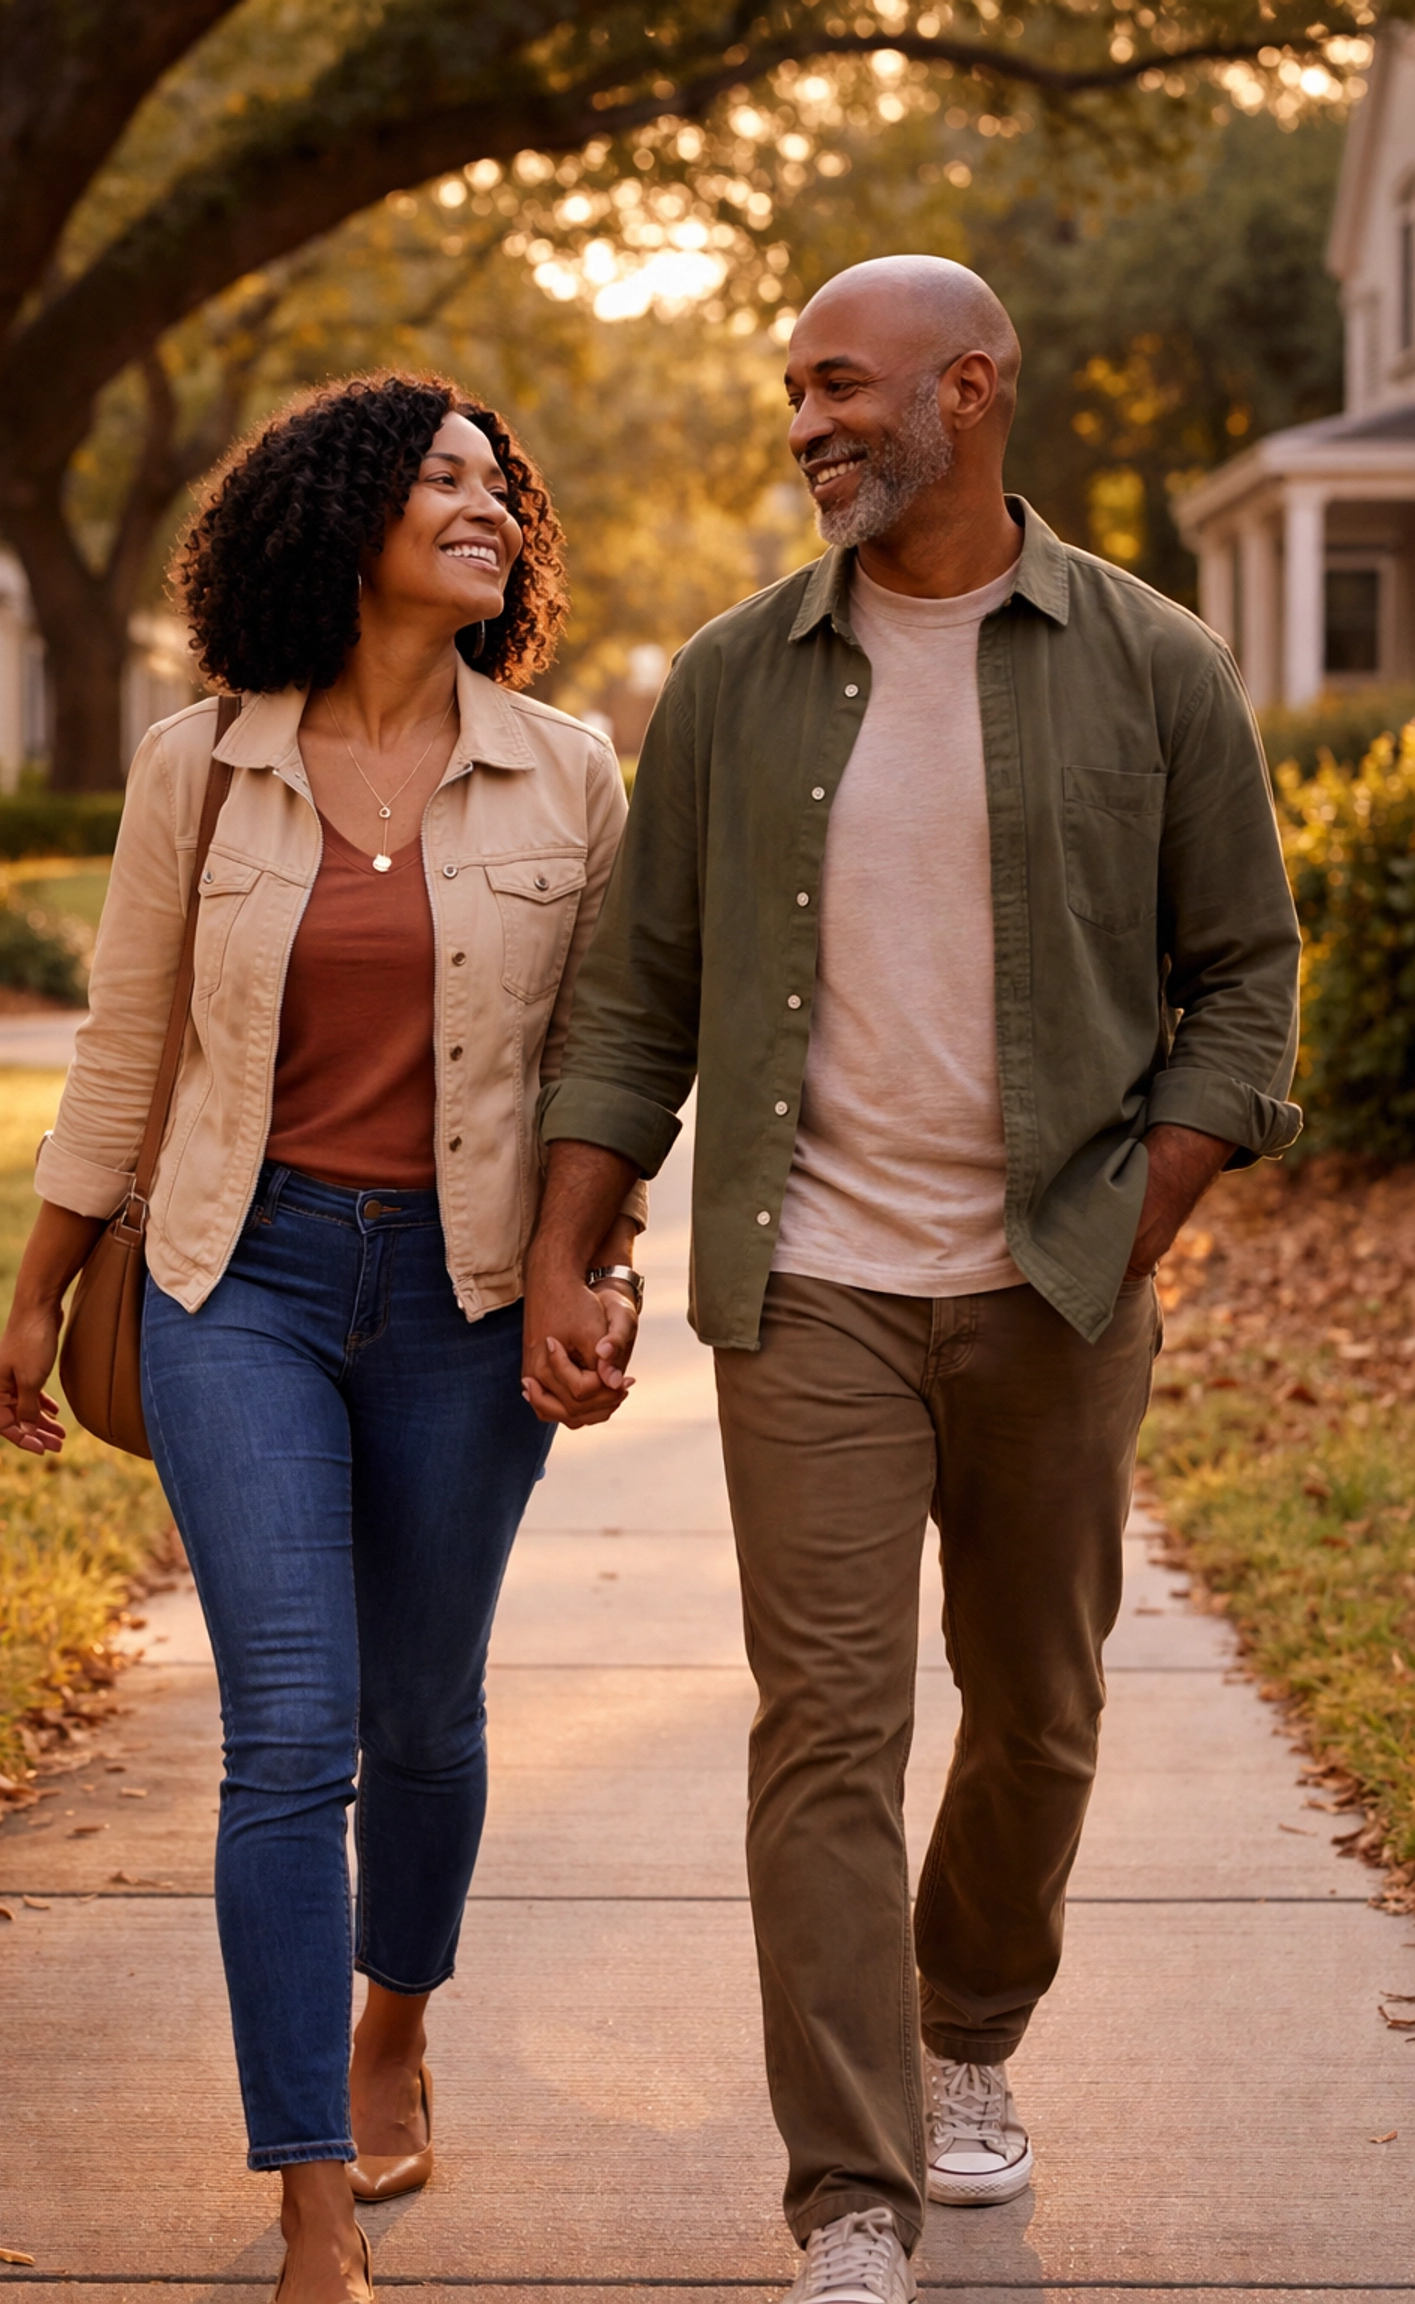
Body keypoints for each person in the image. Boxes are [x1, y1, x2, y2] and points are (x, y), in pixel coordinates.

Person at [520, 257, 1301, 2304]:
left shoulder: (1152, 662)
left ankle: (972, 2039)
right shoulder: (730, 680)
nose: (807, 426)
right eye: (794, 392)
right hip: (818, 1284)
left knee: (1036, 1713)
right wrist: (567, 1253)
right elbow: (636, 1005)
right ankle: (848, 2196)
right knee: (827, 1732)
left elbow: (1245, 986)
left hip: (1063, 1279)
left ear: (973, 389)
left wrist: (1137, 1225)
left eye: (845, 388)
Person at [0, 372, 644, 2304]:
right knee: (287, 1732)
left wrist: (587, 1268)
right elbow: (127, 1040)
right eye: (442, 478)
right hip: (234, 1281)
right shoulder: (198, 766)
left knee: (423, 1717)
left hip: (462, 1292)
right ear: (335, 516)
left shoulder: (569, 770)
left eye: (498, 485)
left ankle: (397, 2022)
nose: (489, 506)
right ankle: (307, 2205)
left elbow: (606, 1062)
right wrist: (39, 1281)